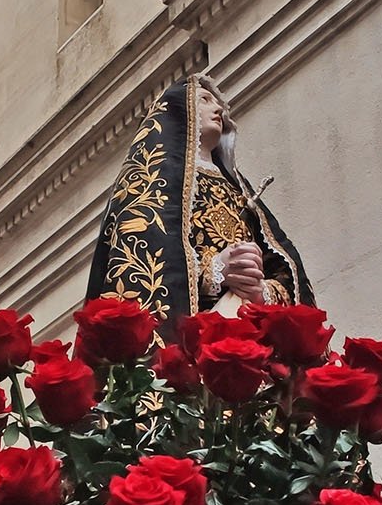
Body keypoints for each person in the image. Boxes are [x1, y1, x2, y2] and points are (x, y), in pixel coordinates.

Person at [86, 73, 315, 327]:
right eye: (205, 100)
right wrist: (216, 271)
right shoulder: (151, 183)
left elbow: (284, 272)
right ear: (176, 111)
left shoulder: (238, 188)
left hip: (253, 328)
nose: (218, 109)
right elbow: (146, 267)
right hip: (200, 332)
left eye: (217, 102)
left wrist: (260, 291)